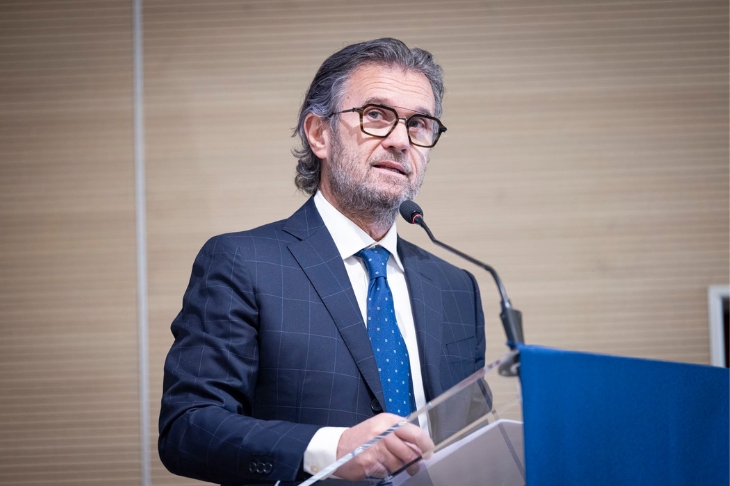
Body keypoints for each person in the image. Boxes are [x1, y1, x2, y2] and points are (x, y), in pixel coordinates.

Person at [158, 38, 486, 485]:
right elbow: (188, 428)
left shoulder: (456, 286)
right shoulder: (243, 263)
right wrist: (332, 450)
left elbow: (469, 434)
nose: (400, 140)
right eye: (376, 115)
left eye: (419, 124)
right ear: (319, 134)